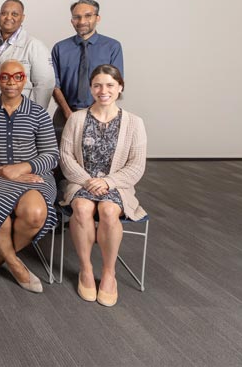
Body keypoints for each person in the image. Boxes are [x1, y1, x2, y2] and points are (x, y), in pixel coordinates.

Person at [59, 64, 147, 307]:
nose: (103, 90)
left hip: (117, 187)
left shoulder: (134, 123)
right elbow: (66, 158)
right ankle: (86, 269)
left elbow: (136, 166)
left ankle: (109, 273)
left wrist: (107, 182)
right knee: (83, 209)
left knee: (108, 211)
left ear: (120, 87)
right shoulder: (76, 119)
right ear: (91, 88)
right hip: (81, 182)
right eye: (97, 85)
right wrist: (88, 181)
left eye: (109, 85)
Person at [0, 60, 59, 293]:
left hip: (33, 176)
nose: (11, 82)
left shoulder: (38, 113)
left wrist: (22, 168)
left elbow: (51, 154)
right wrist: (1, 170)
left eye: (18, 77)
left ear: (25, 80)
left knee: (36, 213)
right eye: (5, 77)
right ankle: (16, 265)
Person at [51, 0, 124, 137]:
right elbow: (54, 85)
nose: (82, 21)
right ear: (72, 20)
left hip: (103, 113)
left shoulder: (112, 47)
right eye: (76, 17)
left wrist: (98, 114)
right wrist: (68, 113)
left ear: (98, 18)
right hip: (65, 114)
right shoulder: (60, 48)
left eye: (88, 16)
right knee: (62, 155)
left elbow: (115, 84)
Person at [0, 0, 55, 108]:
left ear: (22, 17)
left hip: (20, 115)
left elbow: (45, 85)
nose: (8, 17)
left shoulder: (35, 46)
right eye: (4, 13)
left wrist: (33, 115)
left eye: (14, 14)